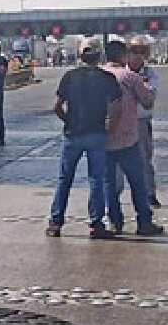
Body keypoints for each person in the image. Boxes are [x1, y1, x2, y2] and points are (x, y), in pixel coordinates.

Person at [46, 44, 122, 239]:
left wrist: (68, 120)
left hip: (73, 134)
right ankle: (96, 224)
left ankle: (56, 222)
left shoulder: (70, 77)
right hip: (97, 133)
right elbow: (116, 108)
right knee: (96, 180)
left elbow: (56, 106)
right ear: (100, 57)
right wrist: (110, 128)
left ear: (80, 56)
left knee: (65, 179)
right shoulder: (108, 79)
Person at [103, 40, 164, 236]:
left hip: (103, 137)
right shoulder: (131, 77)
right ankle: (144, 223)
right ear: (123, 56)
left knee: (109, 182)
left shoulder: (98, 76)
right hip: (129, 137)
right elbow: (147, 102)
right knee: (138, 181)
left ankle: (115, 222)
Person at [128, 37, 162, 208]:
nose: (137, 55)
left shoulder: (151, 73)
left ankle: (149, 194)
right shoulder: (120, 72)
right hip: (121, 122)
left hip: (141, 121)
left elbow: (149, 98)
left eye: (142, 51)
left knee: (144, 159)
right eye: (134, 51)